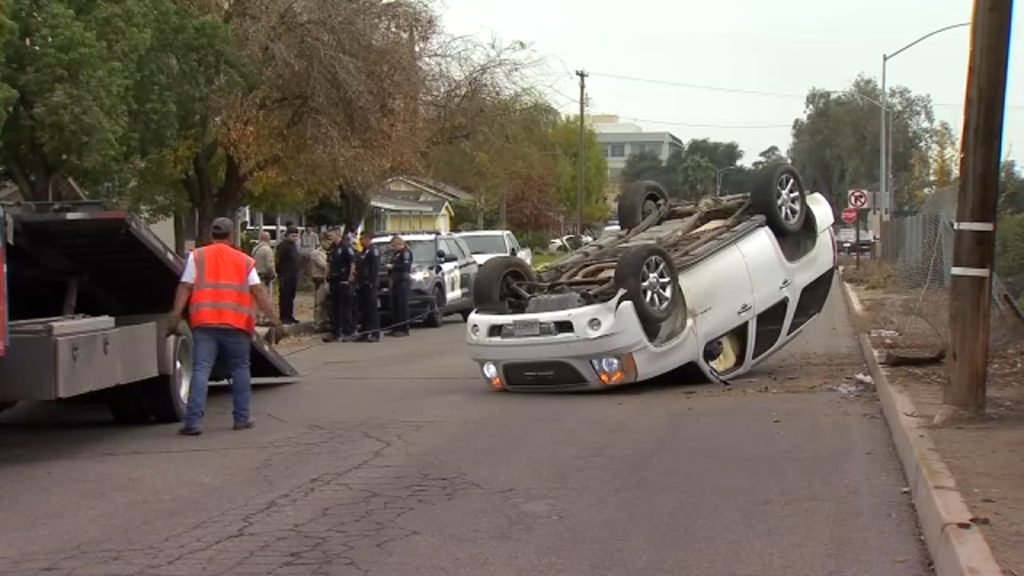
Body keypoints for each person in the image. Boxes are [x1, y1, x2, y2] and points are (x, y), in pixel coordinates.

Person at [167, 217, 282, 436]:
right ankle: (242, 418)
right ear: (231, 235)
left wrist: (175, 314)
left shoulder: (197, 256)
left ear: (211, 234)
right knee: (240, 369)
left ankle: (193, 422)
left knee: (201, 369)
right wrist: (275, 319)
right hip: (236, 324)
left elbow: (185, 287)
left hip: (204, 322)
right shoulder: (244, 260)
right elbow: (258, 291)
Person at [323, 230, 357, 342]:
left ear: (338, 235)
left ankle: (348, 332)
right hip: (334, 281)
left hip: (344, 281)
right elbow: (328, 263)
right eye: (328, 236)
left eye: (331, 235)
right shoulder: (332, 248)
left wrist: (349, 279)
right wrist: (326, 277)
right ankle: (335, 332)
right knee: (335, 308)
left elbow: (352, 263)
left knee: (345, 308)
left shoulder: (346, 247)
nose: (329, 238)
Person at [355, 230, 381, 342]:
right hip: (362, 284)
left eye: (362, 239)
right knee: (363, 310)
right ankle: (365, 333)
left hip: (370, 284)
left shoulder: (373, 251)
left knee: (372, 310)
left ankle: (375, 333)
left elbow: (374, 269)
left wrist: (371, 282)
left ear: (368, 239)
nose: (361, 241)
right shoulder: (364, 251)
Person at [387, 235, 413, 337]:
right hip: (395, 281)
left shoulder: (406, 253)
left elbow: (405, 266)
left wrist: (393, 266)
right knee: (395, 306)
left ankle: (404, 328)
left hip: (403, 280)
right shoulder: (396, 254)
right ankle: (396, 327)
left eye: (394, 246)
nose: (393, 248)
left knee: (402, 305)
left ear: (399, 244)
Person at [275, 226, 300, 324]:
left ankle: (290, 316)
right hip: (285, 275)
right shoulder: (283, 246)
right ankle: (284, 317)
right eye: (293, 236)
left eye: (296, 236)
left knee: (291, 296)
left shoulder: (294, 246)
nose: (295, 238)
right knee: (285, 296)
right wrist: (280, 273)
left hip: (293, 274)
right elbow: (278, 260)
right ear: (287, 236)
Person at [251, 231, 276, 325]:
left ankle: (256, 318)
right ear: (268, 239)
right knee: (266, 297)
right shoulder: (267, 249)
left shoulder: (255, 249)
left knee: (256, 298)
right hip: (265, 277)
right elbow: (270, 265)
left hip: (255, 275)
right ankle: (265, 318)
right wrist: (273, 274)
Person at [311, 236, 331, 332]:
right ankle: (317, 323)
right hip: (320, 280)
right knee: (319, 303)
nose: (329, 243)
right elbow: (324, 265)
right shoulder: (316, 253)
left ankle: (325, 322)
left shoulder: (330, 252)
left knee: (326, 303)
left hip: (328, 280)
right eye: (327, 241)